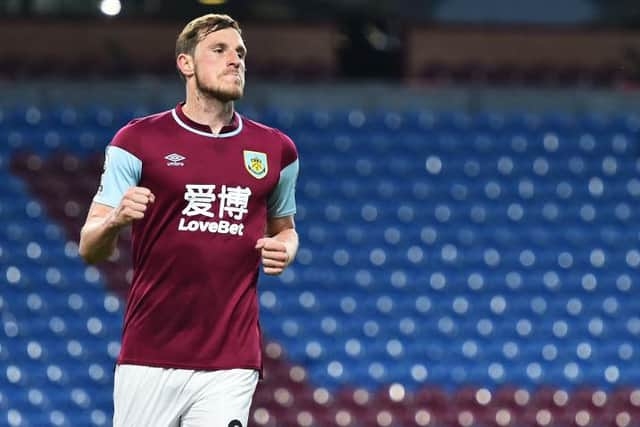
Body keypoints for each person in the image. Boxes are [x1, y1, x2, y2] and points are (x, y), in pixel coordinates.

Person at [78, 13, 299, 427]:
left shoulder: (276, 151)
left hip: (231, 361)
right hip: (149, 356)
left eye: (240, 53)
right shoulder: (137, 141)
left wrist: (285, 248)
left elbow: (284, 228)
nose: (235, 60)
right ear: (186, 63)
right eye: (219, 50)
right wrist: (115, 221)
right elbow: (90, 246)